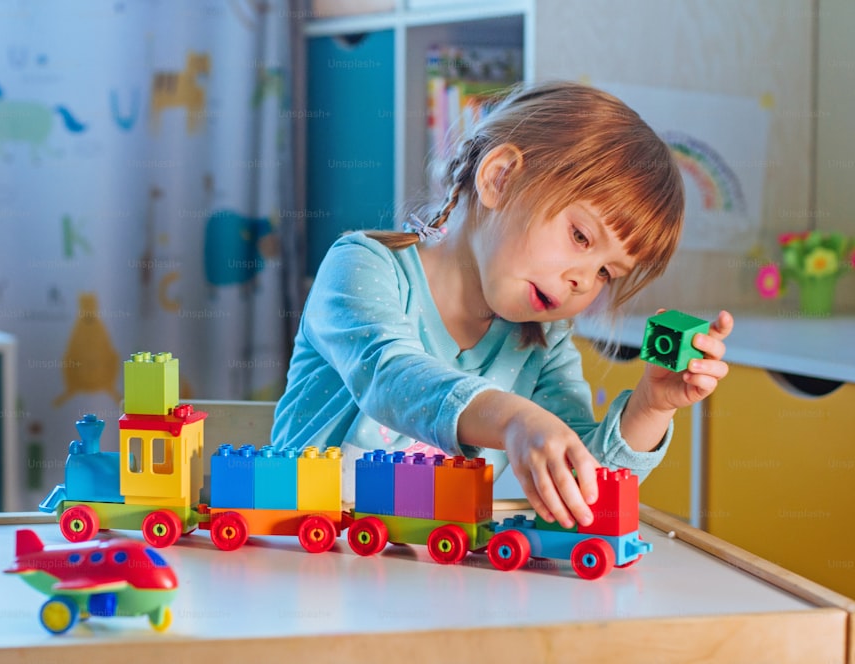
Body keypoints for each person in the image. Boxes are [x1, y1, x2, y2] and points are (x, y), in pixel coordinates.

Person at [272, 81, 733, 529]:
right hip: (304, 553)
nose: (582, 281)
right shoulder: (363, 266)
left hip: (428, 572)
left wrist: (651, 408)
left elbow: (579, 483)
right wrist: (515, 419)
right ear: (500, 178)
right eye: (580, 236)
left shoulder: (542, 341)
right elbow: (390, 378)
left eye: (605, 273)